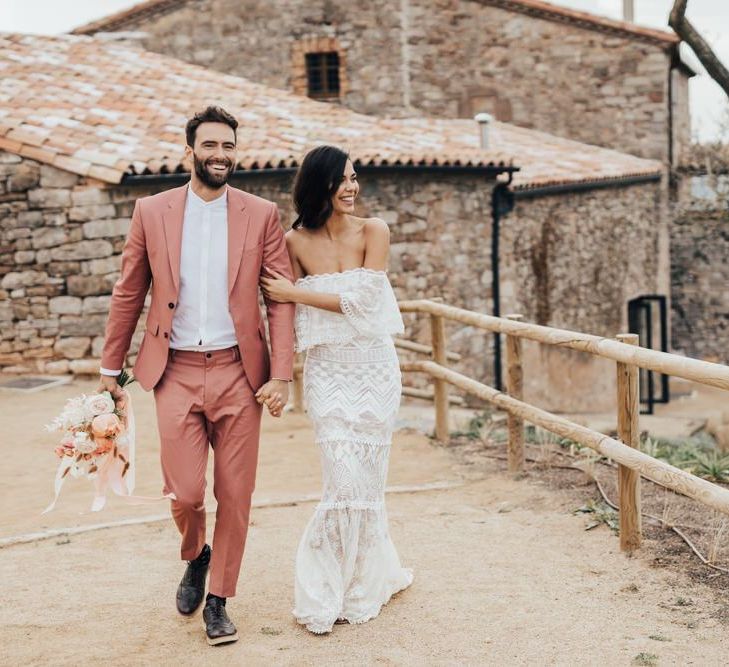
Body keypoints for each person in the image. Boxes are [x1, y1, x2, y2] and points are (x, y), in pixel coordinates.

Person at [98, 106, 295, 646]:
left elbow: (279, 301)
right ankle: (196, 554)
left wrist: (281, 373)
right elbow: (128, 291)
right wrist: (109, 368)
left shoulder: (261, 214)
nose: (220, 155)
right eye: (210, 146)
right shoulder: (151, 210)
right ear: (189, 153)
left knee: (236, 493)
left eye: (229, 146)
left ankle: (219, 600)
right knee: (185, 494)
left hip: (239, 373)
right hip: (174, 371)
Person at [261, 145, 413, 635]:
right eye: (342, 179)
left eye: (354, 178)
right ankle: (324, 586)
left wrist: (296, 292)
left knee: (367, 484)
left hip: (374, 370)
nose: (352, 187)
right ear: (318, 185)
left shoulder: (375, 230)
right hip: (327, 372)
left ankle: (364, 582)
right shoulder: (293, 242)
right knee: (341, 481)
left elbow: (366, 303)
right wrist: (279, 370)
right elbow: (277, 308)